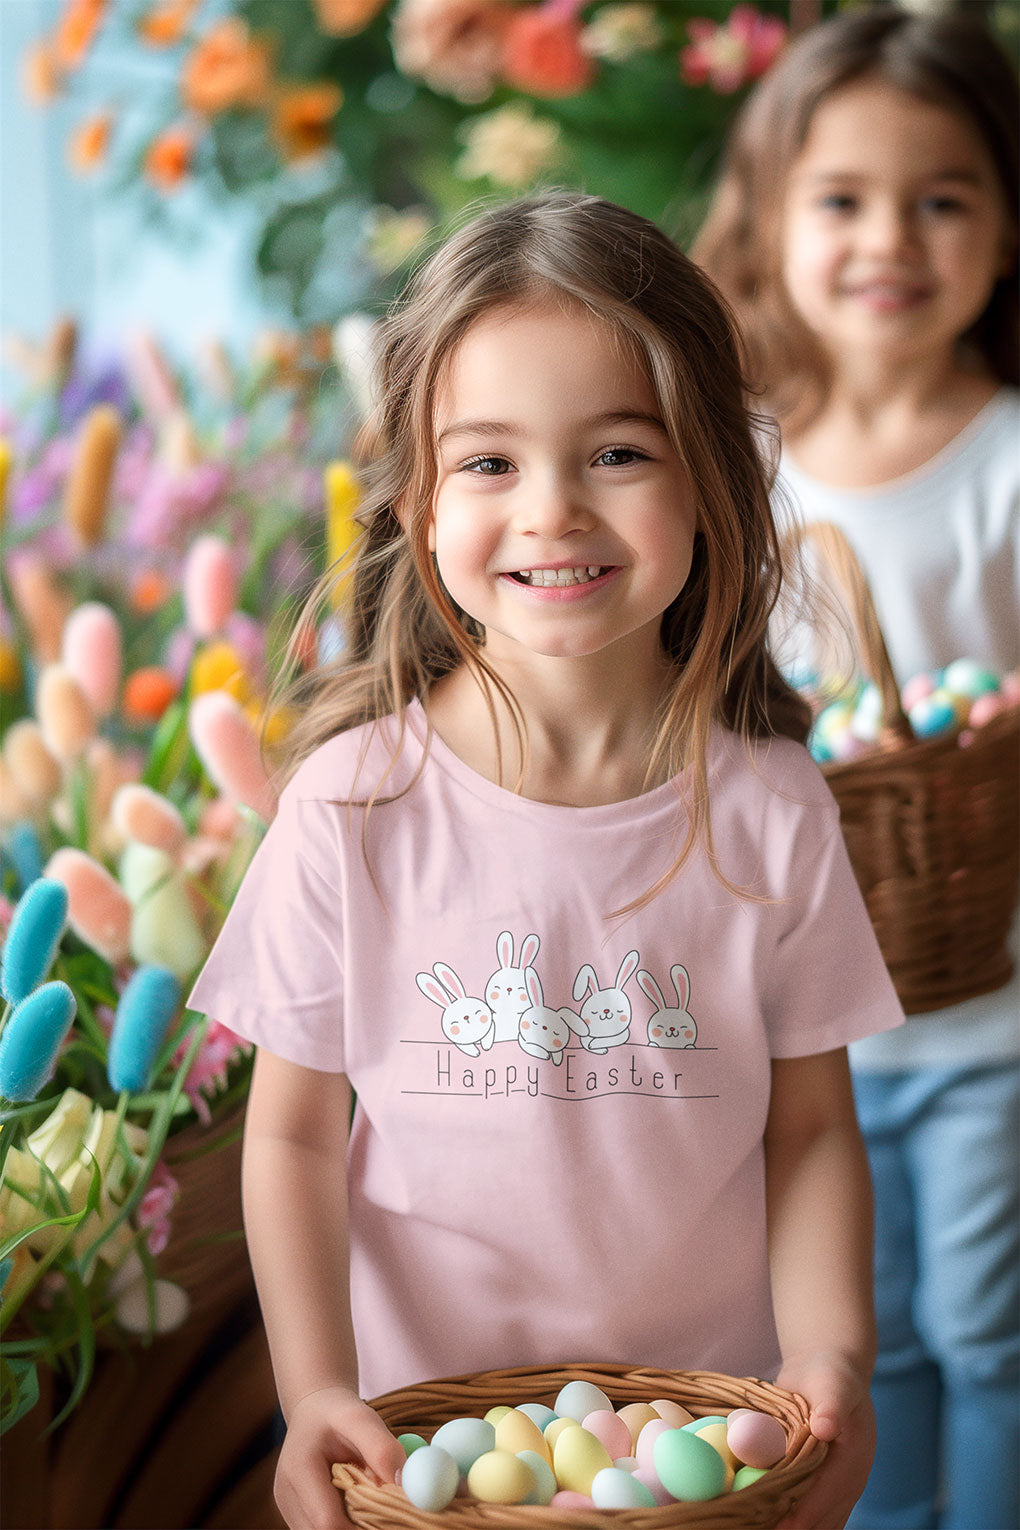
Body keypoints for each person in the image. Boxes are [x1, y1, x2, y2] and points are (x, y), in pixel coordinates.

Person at [188, 191, 904, 1530]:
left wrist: (833, 1358)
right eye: (490, 462)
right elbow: (288, 1134)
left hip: (708, 1434)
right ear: (412, 496)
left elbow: (810, 1131)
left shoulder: (768, 807)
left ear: (709, 474)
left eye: (619, 452)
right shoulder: (354, 806)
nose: (554, 510)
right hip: (431, 1451)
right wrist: (316, 1383)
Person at [694, 10, 1019, 1530]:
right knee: (840, 1341)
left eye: (942, 196)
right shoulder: (742, 468)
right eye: (842, 198)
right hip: (803, 1030)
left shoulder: (1009, 460)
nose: (890, 236)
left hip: (989, 1011)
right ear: (770, 220)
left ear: (1008, 223)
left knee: (996, 1334)